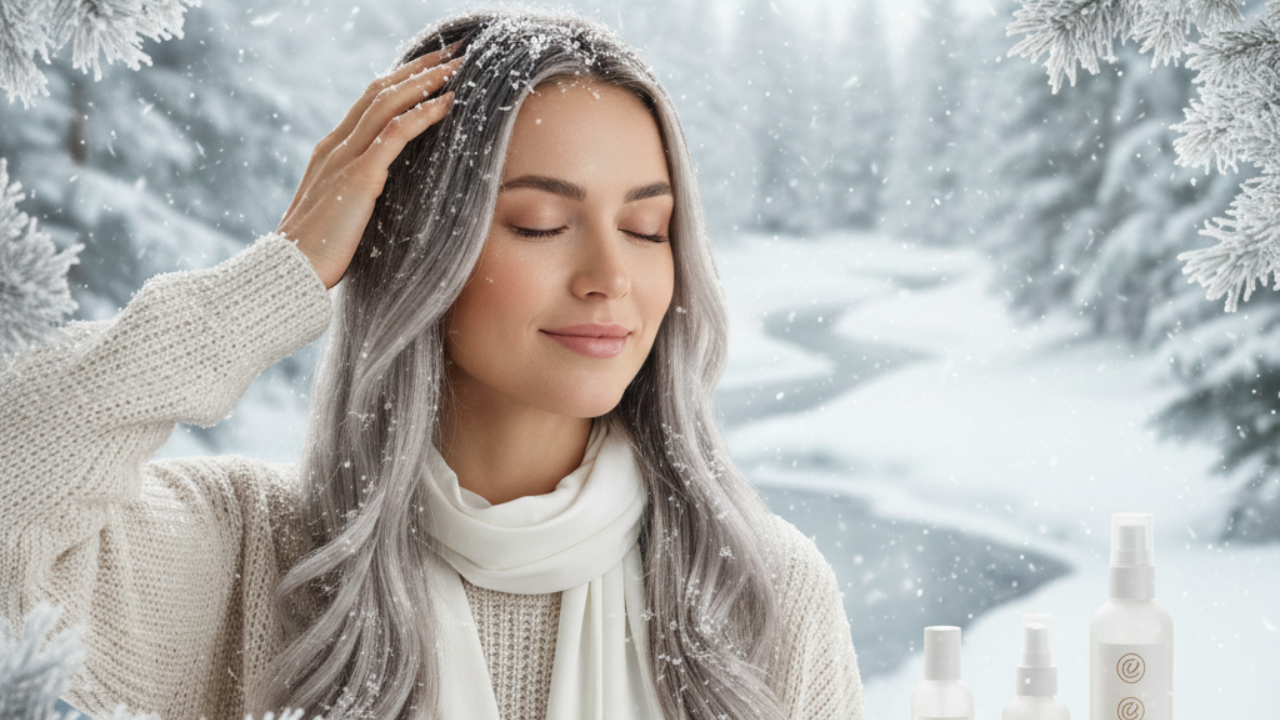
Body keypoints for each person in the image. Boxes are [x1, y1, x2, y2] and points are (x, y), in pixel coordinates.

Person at [0, 9, 864, 720]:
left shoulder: (761, 592)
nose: (611, 277)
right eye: (538, 224)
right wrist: (286, 271)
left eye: (647, 229)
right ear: (420, 248)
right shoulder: (246, 553)